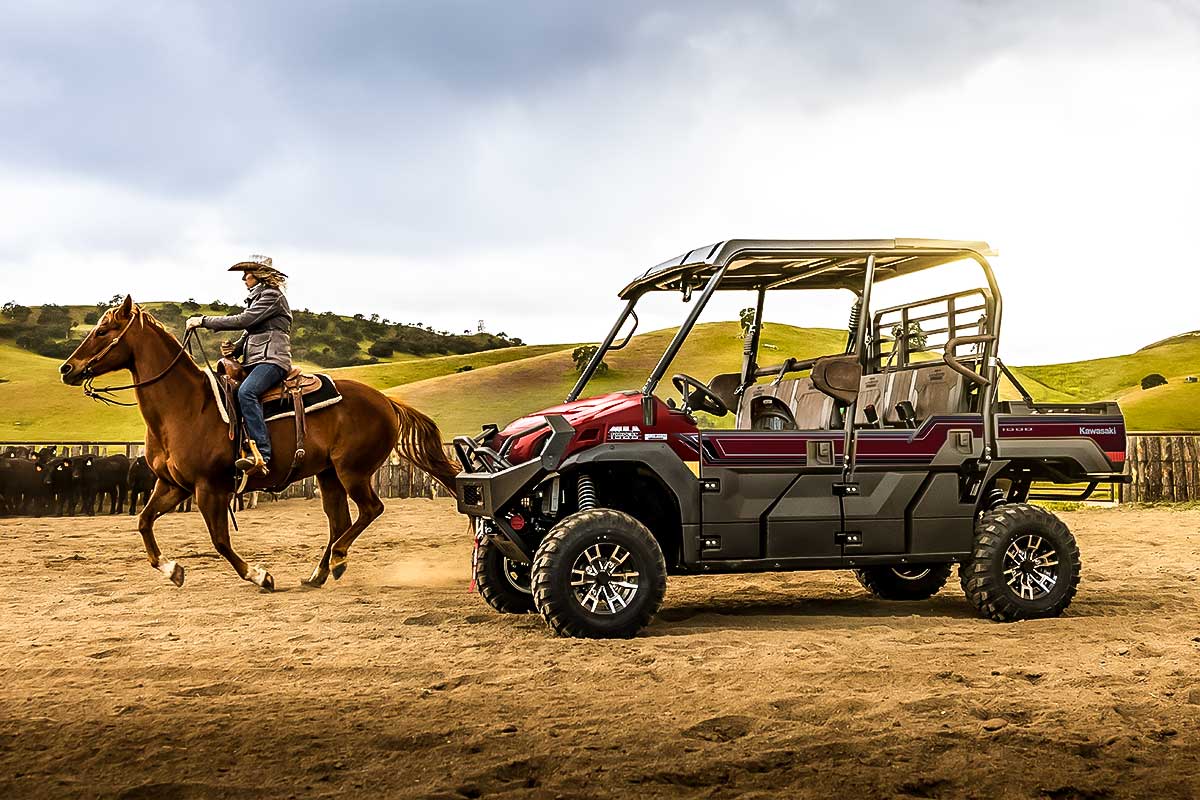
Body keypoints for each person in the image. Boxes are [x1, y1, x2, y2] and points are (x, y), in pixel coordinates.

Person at [186, 255, 292, 475]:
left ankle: (261, 452)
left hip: (272, 360)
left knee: (246, 392)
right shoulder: (259, 299)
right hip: (255, 361)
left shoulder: (272, 296)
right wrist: (235, 348)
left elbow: (243, 320)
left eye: (247, 274)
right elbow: (250, 332)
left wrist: (203, 321)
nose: (244, 278)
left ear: (259, 276)